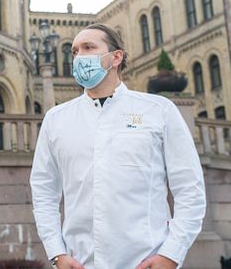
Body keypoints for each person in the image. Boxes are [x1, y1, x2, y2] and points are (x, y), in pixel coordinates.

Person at [30, 24, 206, 269]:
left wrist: (171, 254)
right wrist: (57, 253)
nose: (79, 56)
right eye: (75, 51)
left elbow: (190, 189)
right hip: (81, 262)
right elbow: (43, 191)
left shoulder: (158, 111)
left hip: (145, 261)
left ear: (116, 57)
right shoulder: (56, 119)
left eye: (89, 47)